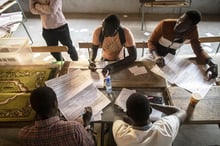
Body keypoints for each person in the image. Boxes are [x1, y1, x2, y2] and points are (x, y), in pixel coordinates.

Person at [143, 9, 218, 80]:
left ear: (191, 27)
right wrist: (156, 56)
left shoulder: (192, 32)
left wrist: (212, 63)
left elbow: (198, 49)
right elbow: (151, 42)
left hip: (170, 57)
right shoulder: (165, 24)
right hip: (154, 52)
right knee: (143, 67)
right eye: (180, 19)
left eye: (185, 24)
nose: (178, 24)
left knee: (169, 77)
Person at [19, 86, 94, 146]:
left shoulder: (24, 135)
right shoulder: (74, 128)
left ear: (33, 108)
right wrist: (87, 123)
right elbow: (91, 144)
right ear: (55, 104)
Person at [112, 93, 186, 146]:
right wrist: (152, 105)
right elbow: (182, 112)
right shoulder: (166, 127)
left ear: (128, 114)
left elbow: (117, 116)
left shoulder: (121, 134)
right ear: (150, 110)